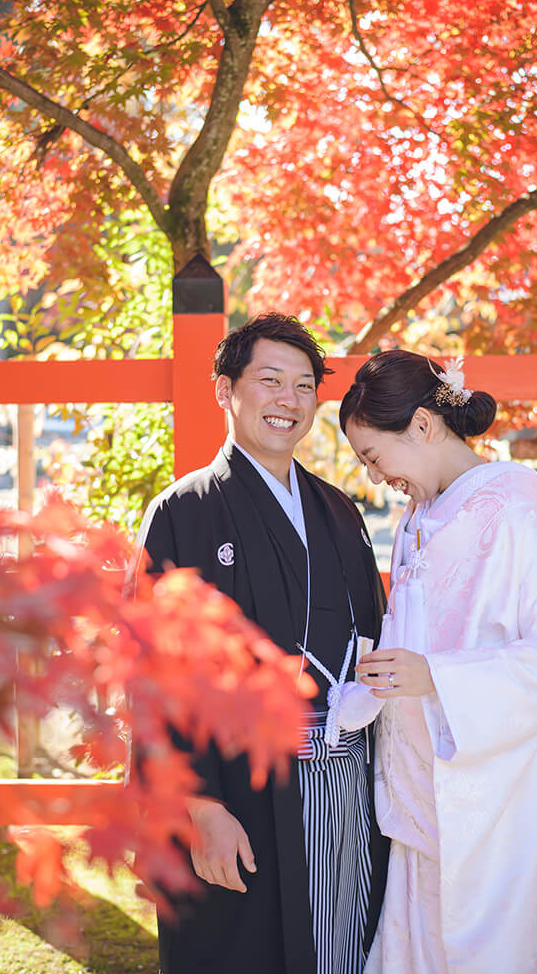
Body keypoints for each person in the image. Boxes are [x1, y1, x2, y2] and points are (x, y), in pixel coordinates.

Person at [331, 348, 537, 974]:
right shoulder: (417, 518)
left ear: (424, 425)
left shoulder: (507, 512)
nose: (375, 479)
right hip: (422, 791)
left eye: (374, 457)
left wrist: (436, 676)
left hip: (489, 796)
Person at [130, 314, 388, 974]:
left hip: (344, 778)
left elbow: (372, 639)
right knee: (242, 947)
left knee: (340, 942)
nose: (290, 401)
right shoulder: (182, 510)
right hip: (235, 784)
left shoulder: (338, 510)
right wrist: (198, 804)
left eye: (304, 386)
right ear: (224, 390)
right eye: (269, 381)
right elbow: (151, 670)